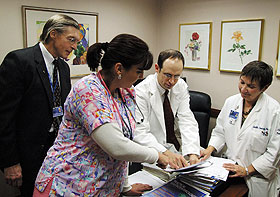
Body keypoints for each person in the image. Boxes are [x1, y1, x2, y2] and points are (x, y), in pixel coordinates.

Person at [33, 34, 175, 196]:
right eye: (138, 71)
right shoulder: (88, 91)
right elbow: (116, 146)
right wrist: (156, 156)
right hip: (67, 185)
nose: (140, 77)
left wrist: (125, 187)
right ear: (119, 68)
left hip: (101, 188)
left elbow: (125, 139)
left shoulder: (126, 92)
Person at [0, 14, 80, 196]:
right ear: (53, 34)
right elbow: (4, 116)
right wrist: (10, 161)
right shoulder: (19, 61)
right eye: (71, 40)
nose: (75, 47)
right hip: (28, 153)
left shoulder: (63, 67)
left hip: (57, 150)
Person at [200, 61, 280, 197]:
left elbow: (274, 153)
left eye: (251, 86)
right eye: (242, 82)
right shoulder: (231, 102)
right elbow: (220, 131)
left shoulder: (274, 111)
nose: (243, 89)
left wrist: (247, 170)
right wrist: (209, 149)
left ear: (264, 88)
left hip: (256, 177)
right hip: (228, 170)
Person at [133, 49, 201, 168]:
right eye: (168, 75)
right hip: (153, 149)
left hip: (175, 146)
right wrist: (166, 153)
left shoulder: (180, 86)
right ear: (157, 68)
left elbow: (186, 119)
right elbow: (140, 132)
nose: (172, 81)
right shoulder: (141, 92)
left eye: (177, 76)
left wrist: (192, 152)